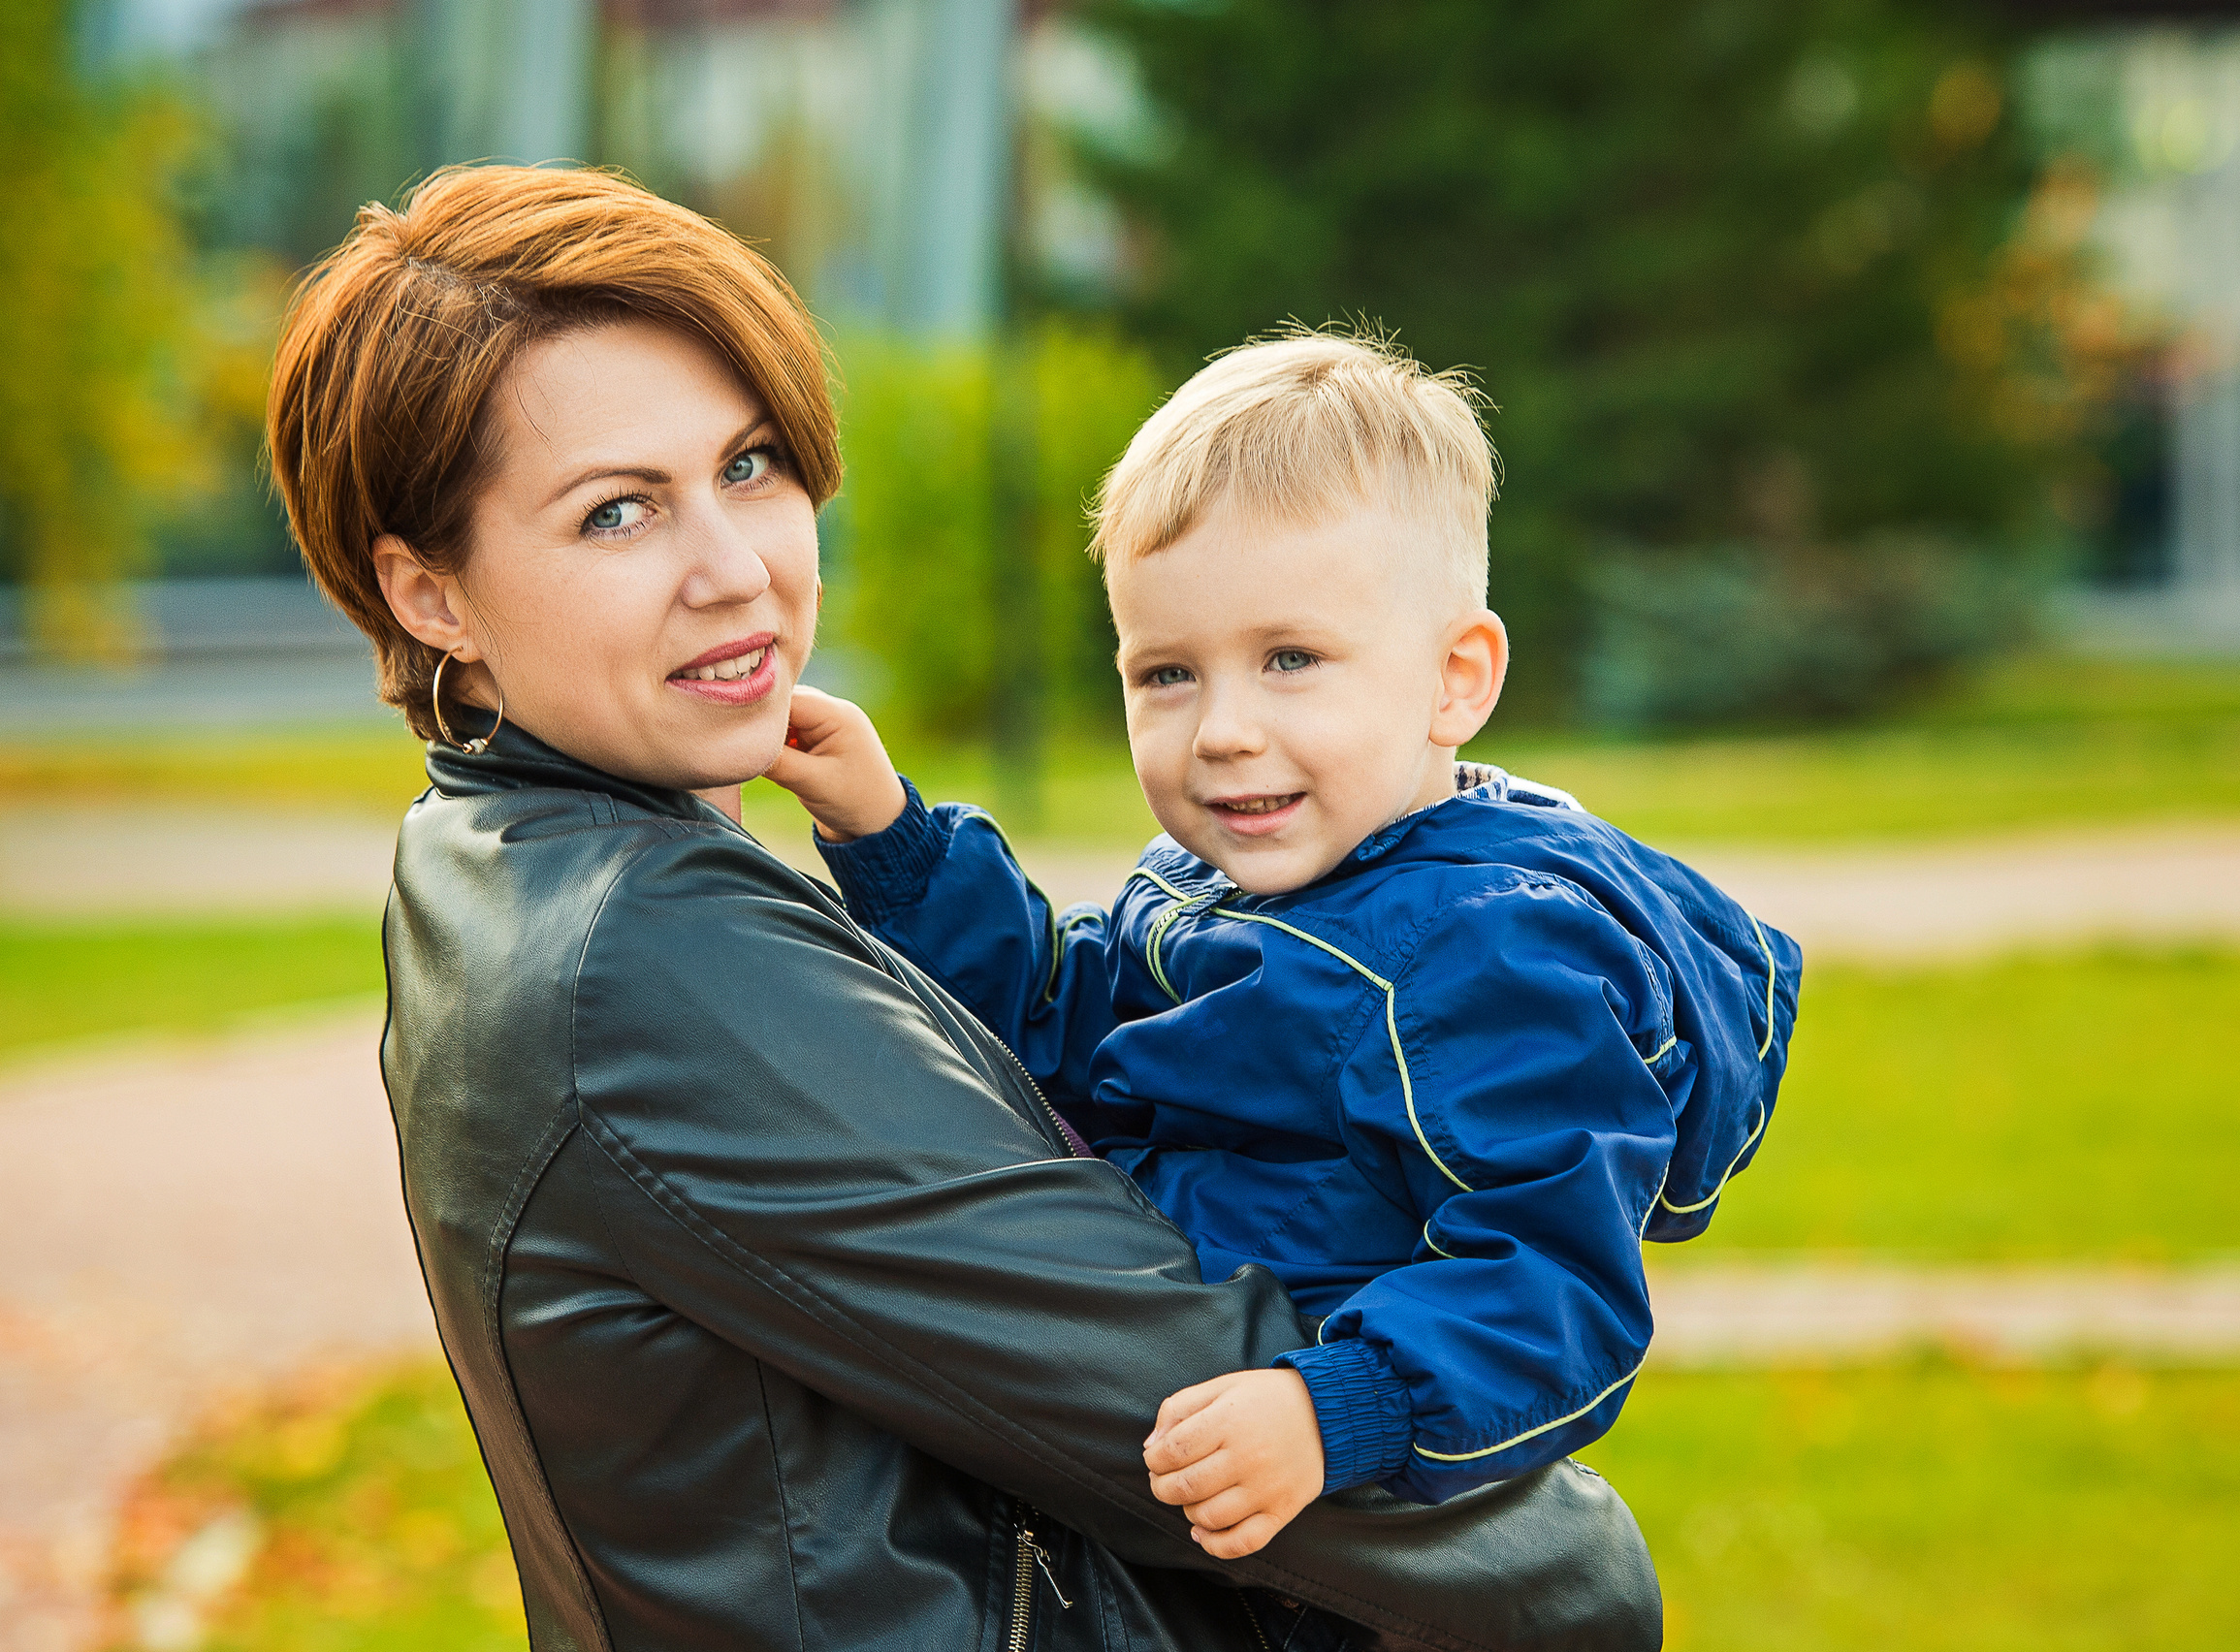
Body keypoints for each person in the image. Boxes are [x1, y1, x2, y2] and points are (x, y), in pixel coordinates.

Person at [266, 165, 1657, 1652]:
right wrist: (1580, 1576)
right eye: (618, 514)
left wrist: (901, 849)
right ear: (430, 596)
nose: (734, 573)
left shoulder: (487, 852)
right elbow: (1164, 1401)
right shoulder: (648, 967)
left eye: (747, 468)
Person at [767, 332, 1805, 1562]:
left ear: (1454, 679)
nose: (1222, 731)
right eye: (1165, 674)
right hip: (1141, 1401)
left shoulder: (1486, 958)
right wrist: (890, 834)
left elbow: (1553, 1284)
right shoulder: (1223, 882)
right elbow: (1063, 1019)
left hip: (1324, 1527)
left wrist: (1339, 1409)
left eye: (1290, 660)